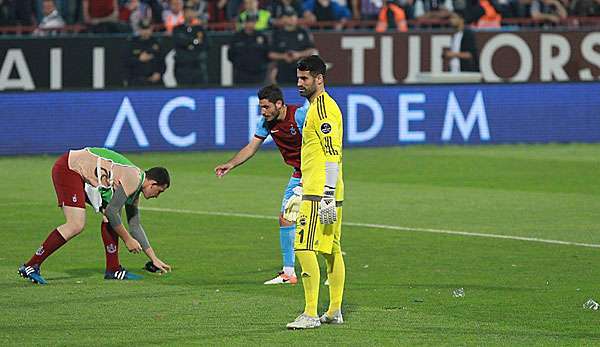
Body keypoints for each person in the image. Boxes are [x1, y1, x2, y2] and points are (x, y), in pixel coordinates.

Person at [18, 147, 172, 285]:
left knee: (110, 217)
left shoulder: (135, 190)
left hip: (83, 177)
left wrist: (153, 258)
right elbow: (113, 212)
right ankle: (31, 265)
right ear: (152, 183)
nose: (157, 196)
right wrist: (127, 240)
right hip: (69, 169)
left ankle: (113, 270)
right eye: (160, 191)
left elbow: (134, 225)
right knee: (76, 224)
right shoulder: (134, 178)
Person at [214, 85, 307, 285]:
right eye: (261, 107)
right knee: (286, 218)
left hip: (314, 173)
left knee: (317, 221)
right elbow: (251, 147)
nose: (262, 112)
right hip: (298, 173)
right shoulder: (266, 123)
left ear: (279, 104)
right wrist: (231, 164)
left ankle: (329, 270)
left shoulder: (299, 115)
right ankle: (289, 273)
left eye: (266, 107)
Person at [286, 55, 345, 329]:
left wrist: (327, 194)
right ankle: (334, 311)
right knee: (331, 250)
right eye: (298, 77)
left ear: (319, 79)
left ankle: (310, 314)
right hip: (321, 188)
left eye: (305, 78)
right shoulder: (316, 107)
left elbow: (333, 152)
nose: (299, 83)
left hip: (320, 193)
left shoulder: (322, 109)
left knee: (302, 246)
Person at [268, 7, 316, 85]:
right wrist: (284, 56)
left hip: (301, 70)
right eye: (288, 16)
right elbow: (271, 54)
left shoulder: (303, 32)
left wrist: (298, 54)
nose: (291, 19)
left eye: (293, 16)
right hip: (282, 70)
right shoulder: (277, 34)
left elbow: (311, 50)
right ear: (283, 18)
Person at [228, 13, 270, 84]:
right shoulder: (236, 37)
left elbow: (267, 53)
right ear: (244, 23)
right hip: (241, 73)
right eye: (248, 22)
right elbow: (230, 55)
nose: (250, 24)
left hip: (259, 73)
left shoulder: (262, 36)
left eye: (252, 22)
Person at [172, 3, 208, 85]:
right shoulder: (177, 29)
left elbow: (206, 44)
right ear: (183, 13)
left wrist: (189, 44)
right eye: (187, 12)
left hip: (197, 67)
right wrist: (195, 41)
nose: (189, 14)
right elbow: (178, 41)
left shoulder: (200, 29)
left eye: (191, 11)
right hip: (182, 67)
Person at [125, 19, 165, 86]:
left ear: (151, 29)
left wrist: (159, 73)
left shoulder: (157, 43)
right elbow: (126, 61)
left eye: (148, 29)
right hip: (137, 80)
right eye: (143, 29)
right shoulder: (132, 43)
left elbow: (162, 61)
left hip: (155, 81)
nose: (146, 32)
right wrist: (139, 60)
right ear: (139, 30)